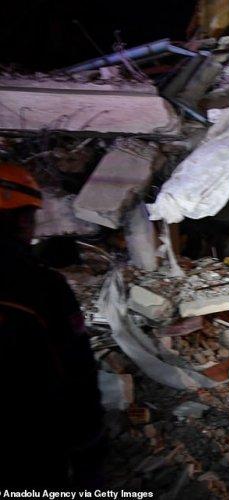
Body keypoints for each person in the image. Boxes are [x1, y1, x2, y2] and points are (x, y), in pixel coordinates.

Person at [0, 162, 104, 488]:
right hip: (28, 436)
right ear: (20, 218)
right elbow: (76, 368)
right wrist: (89, 441)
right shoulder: (39, 285)